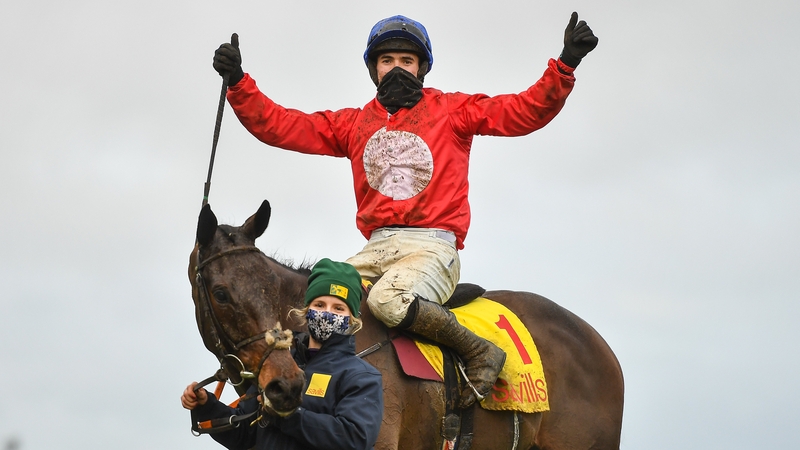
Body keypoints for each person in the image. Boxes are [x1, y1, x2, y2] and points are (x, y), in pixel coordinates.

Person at [212, 12, 598, 407]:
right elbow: (282, 124)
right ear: (374, 69)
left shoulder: (453, 110)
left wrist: (566, 63)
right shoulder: (354, 123)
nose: (397, 68)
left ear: (421, 68)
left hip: (433, 247)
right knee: (314, 302)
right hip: (376, 248)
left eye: (406, 60)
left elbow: (523, 110)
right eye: (387, 60)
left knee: (386, 300)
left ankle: (479, 350)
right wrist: (239, 83)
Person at [181, 259, 383, 450]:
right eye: (319, 305)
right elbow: (243, 433)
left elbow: (355, 439)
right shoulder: (279, 364)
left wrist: (286, 415)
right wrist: (207, 406)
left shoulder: (362, 376)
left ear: (352, 319)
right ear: (306, 310)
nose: (327, 314)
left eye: (338, 308)